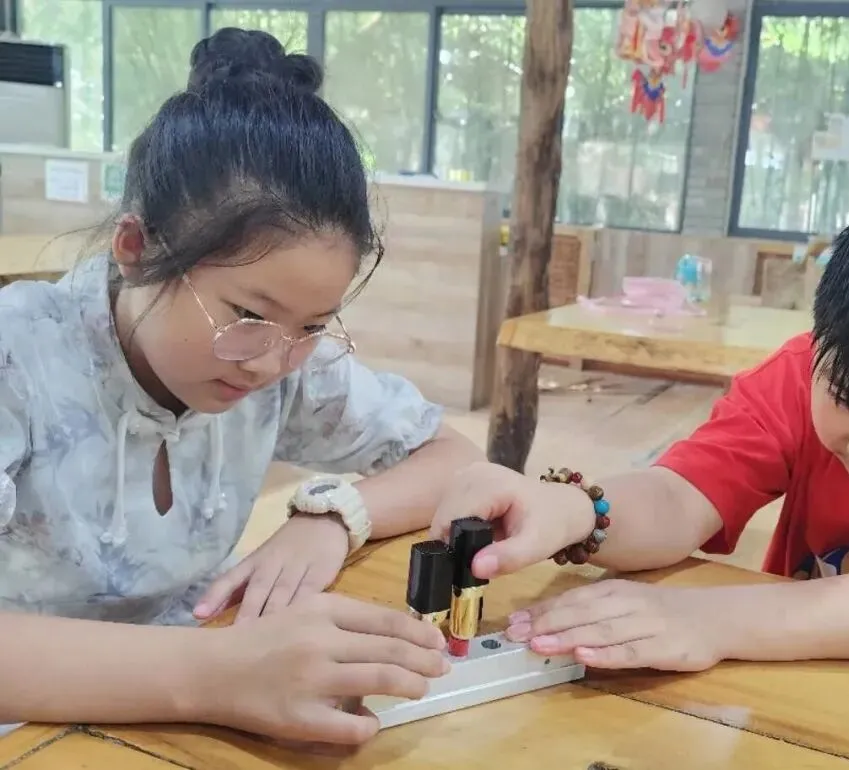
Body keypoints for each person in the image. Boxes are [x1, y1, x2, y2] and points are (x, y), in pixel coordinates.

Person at [0, 28, 486, 745]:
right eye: (247, 316)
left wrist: (337, 516)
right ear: (136, 250)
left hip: (193, 708)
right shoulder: (20, 357)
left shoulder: (283, 360)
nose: (271, 364)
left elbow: (453, 458)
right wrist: (217, 674)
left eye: (312, 325)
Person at [431, 181, 849, 672]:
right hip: (783, 678)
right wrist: (574, 509)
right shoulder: (800, 368)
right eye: (843, 397)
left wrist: (712, 620)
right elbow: (682, 497)